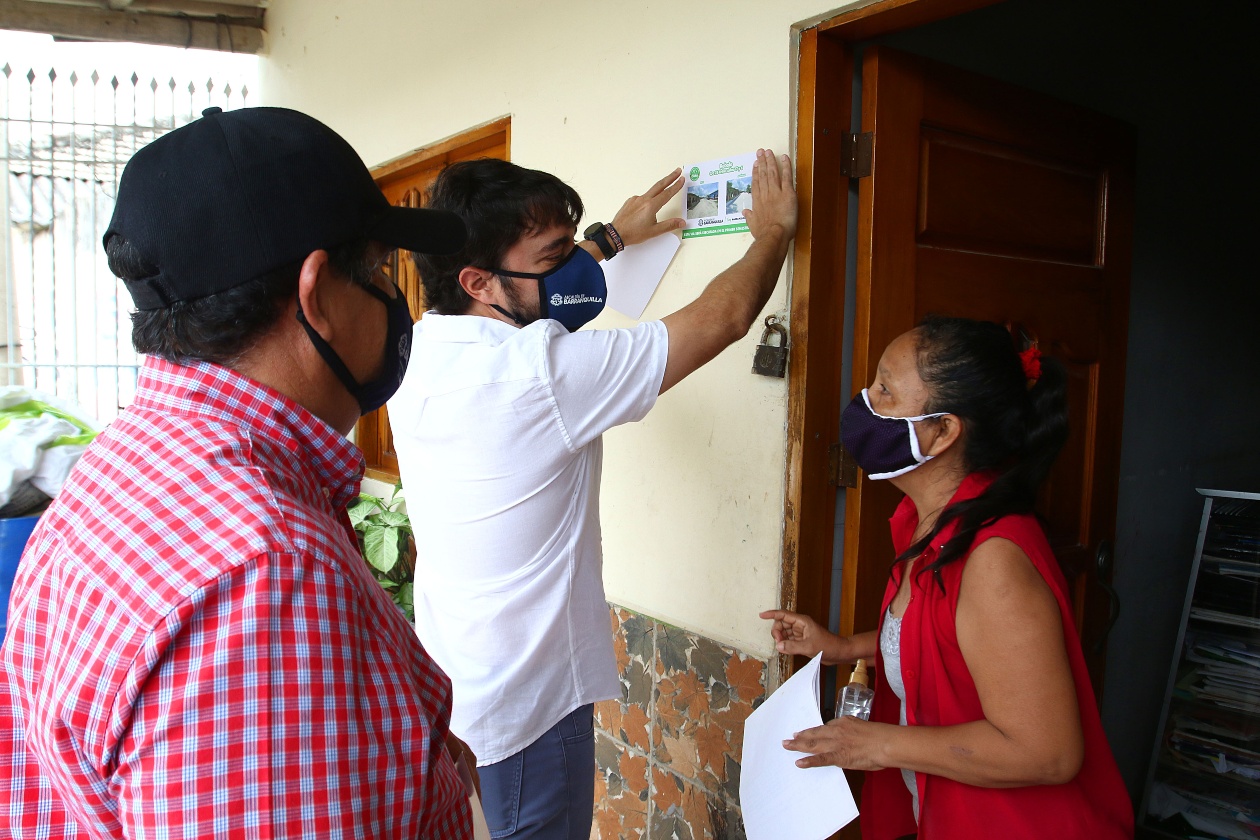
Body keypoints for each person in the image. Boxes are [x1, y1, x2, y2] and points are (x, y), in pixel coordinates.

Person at [0, 106, 480, 838]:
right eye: (381, 270)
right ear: (317, 294)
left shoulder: (119, 470)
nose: (392, 297)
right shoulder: (264, 578)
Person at [389, 149, 798, 838]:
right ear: (478, 280)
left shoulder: (421, 346)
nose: (570, 269)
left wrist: (609, 239)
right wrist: (773, 234)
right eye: (554, 258)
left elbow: (529, 294)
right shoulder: (537, 374)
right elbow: (721, 319)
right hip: (531, 710)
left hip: (457, 687)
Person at [760, 315, 1132, 840]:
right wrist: (842, 647)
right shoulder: (925, 523)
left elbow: (1047, 753)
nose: (865, 399)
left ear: (942, 432)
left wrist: (876, 743)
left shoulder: (992, 560)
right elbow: (942, 641)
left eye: (885, 390)